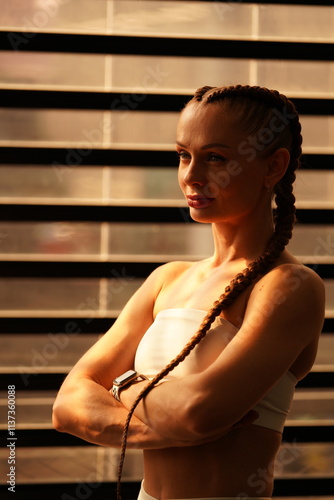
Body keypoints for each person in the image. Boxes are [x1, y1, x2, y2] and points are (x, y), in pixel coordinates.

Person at [52, 85, 325, 500]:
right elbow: (68, 405)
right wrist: (166, 426)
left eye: (215, 158)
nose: (190, 176)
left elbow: (199, 413)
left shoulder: (290, 286)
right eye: (184, 155)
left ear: (274, 167)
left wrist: (120, 386)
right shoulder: (167, 279)